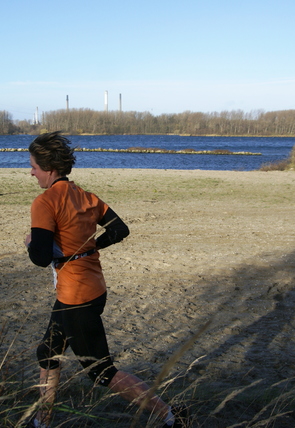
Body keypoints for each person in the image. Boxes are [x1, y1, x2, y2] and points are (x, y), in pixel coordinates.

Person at [24, 131, 187, 428]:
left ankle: (171, 416)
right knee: (48, 353)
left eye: (33, 166)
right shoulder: (86, 197)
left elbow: (40, 257)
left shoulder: (45, 202)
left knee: (101, 372)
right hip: (92, 288)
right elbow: (119, 230)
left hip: (76, 296)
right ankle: (42, 421)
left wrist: (31, 242)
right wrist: (89, 248)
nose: (30, 171)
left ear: (48, 169)